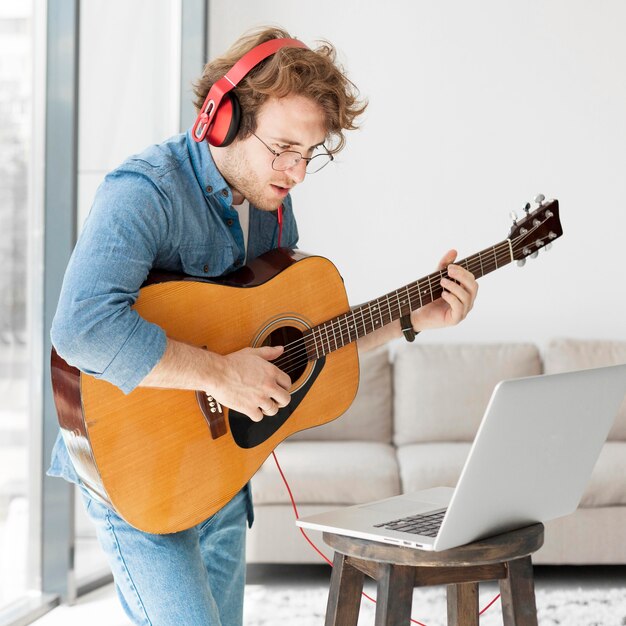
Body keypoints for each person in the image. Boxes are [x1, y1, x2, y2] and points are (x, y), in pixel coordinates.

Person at [48, 26, 479, 626]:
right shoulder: (145, 190)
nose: (295, 172)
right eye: (282, 149)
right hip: (134, 476)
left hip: (222, 471)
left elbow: (305, 337)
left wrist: (411, 318)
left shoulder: (272, 205)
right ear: (221, 119)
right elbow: (82, 327)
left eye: (309, 154)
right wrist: (221, 373)